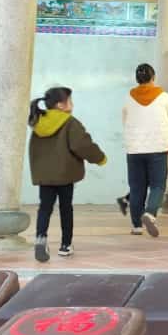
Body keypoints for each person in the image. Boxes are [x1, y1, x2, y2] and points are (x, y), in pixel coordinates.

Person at [28, 86, 107, 263]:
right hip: (65, 174)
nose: (72, 104)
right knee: (66, 208)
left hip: (45, 175)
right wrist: (100, 158)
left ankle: (41, 238)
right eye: (70, 101)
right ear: (60, 105)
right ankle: (65, 245)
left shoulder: (38, 122)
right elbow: (82, 145)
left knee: (45, 208)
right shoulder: (70, 122)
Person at [117, 63, 168, 238]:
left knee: (137, 188)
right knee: (158, 185)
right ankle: (150, 214)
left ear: (137, 79)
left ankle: (137, 226)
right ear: (153, 77)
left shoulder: (129, 97)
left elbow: (125, 120)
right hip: (157, 148)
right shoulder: (163, 97)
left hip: (134, 149)